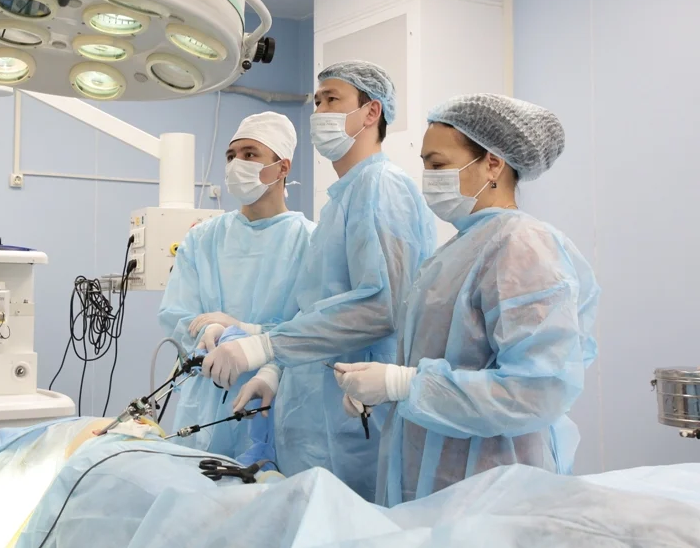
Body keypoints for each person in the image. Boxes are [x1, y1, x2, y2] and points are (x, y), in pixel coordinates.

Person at [335, 93, 600, 507]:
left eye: (438, 164)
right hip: (439, 477)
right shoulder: (459, 250)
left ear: (492, 163)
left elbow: (535, 391)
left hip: (495, 486)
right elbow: (445, 363)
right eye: (425, 164)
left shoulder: (521, 245)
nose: (428, 177)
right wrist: (388, 391)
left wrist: (402, 384)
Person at [203, 61, 438, 500]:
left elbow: (382, 306)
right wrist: (276, 369)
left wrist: (265, 347)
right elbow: (317, 308)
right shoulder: (341, 200)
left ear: (371, 112)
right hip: (320, 415)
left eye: (332, 99)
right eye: (316, 101)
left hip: (356, 417)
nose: (319, 112)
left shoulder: (381, 187)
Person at [157, 111, 314, 460]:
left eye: (250, 154)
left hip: (279, 398)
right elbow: (177, 313)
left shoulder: (310, 242)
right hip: (205, 403)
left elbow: (314, 328)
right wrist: (208, 332)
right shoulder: (202, 239)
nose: (236, 164)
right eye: (231, 156)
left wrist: (245, 334)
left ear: (283, 167)